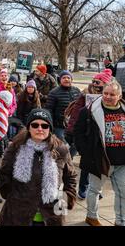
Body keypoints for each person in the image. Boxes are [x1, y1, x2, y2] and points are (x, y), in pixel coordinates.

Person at [0, 108, 77, 226]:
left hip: (52, 214)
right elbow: (4, 174)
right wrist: (12, 195)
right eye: (35, 125)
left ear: (50, 128)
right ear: (29, 127)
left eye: (44, 126)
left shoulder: (61, 149)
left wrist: (66, 198)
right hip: (19, 214)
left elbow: (70, 177)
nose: (40, 129)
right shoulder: (16, 147)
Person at [74, 80, 125, 226]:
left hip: (122, 162)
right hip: (99, 160)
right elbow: (78, 133)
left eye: (112, 94)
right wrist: (86, 153)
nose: (108, 96)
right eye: (105, 93)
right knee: (94, 190)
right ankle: (91, 216)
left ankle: (121, 221)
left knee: (123, 193)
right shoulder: (88, 111)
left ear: (119, 95)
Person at [64, 69, 112, 200]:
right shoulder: (85, 95)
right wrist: (71, 131)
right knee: (87, 163)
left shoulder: (110, 96)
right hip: (87, 134)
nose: (95, 84)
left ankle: (95, 188)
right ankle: (83, 189)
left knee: (101, 164)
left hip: (103, 136)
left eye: (98, 81)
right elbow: (75, 115)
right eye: (94, 81)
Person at [45, 70, 81, 142]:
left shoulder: (77, 91)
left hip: (74, 124)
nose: (66, 79)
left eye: (68, 77)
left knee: (75, 144)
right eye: (64, 78)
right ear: (60, 80)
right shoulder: (53, 92)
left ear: (71, 80)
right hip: (59, 125)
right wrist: (50, 124)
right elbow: (49, 109)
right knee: (62, 145)